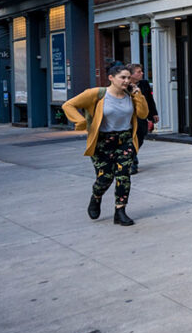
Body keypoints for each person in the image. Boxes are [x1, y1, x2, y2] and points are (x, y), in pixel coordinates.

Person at [62, 62, 149, 226]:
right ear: (111, 78)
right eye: (122, 77)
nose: (126, 81)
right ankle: (96, 197)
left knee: (124, 176)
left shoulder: (131, 95)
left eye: (128, 78)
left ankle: (120, 211)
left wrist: (138, 94)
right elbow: (69, 105)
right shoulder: (97, 94)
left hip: (125, 140)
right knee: (105, 178)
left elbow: (143, 114)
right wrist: (79, 121)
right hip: (103, 142)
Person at [125, 63, 158, 172]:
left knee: (141, 136)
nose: (142, 73)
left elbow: (149, 99)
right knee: (130, 139)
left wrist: (153, 113)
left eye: (141, 71)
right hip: (128, 117)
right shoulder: (124, 85)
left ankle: (132, 155)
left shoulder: (144, 83)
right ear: (131, 74)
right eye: (138, 71)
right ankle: (132, 162)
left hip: (141, 115)